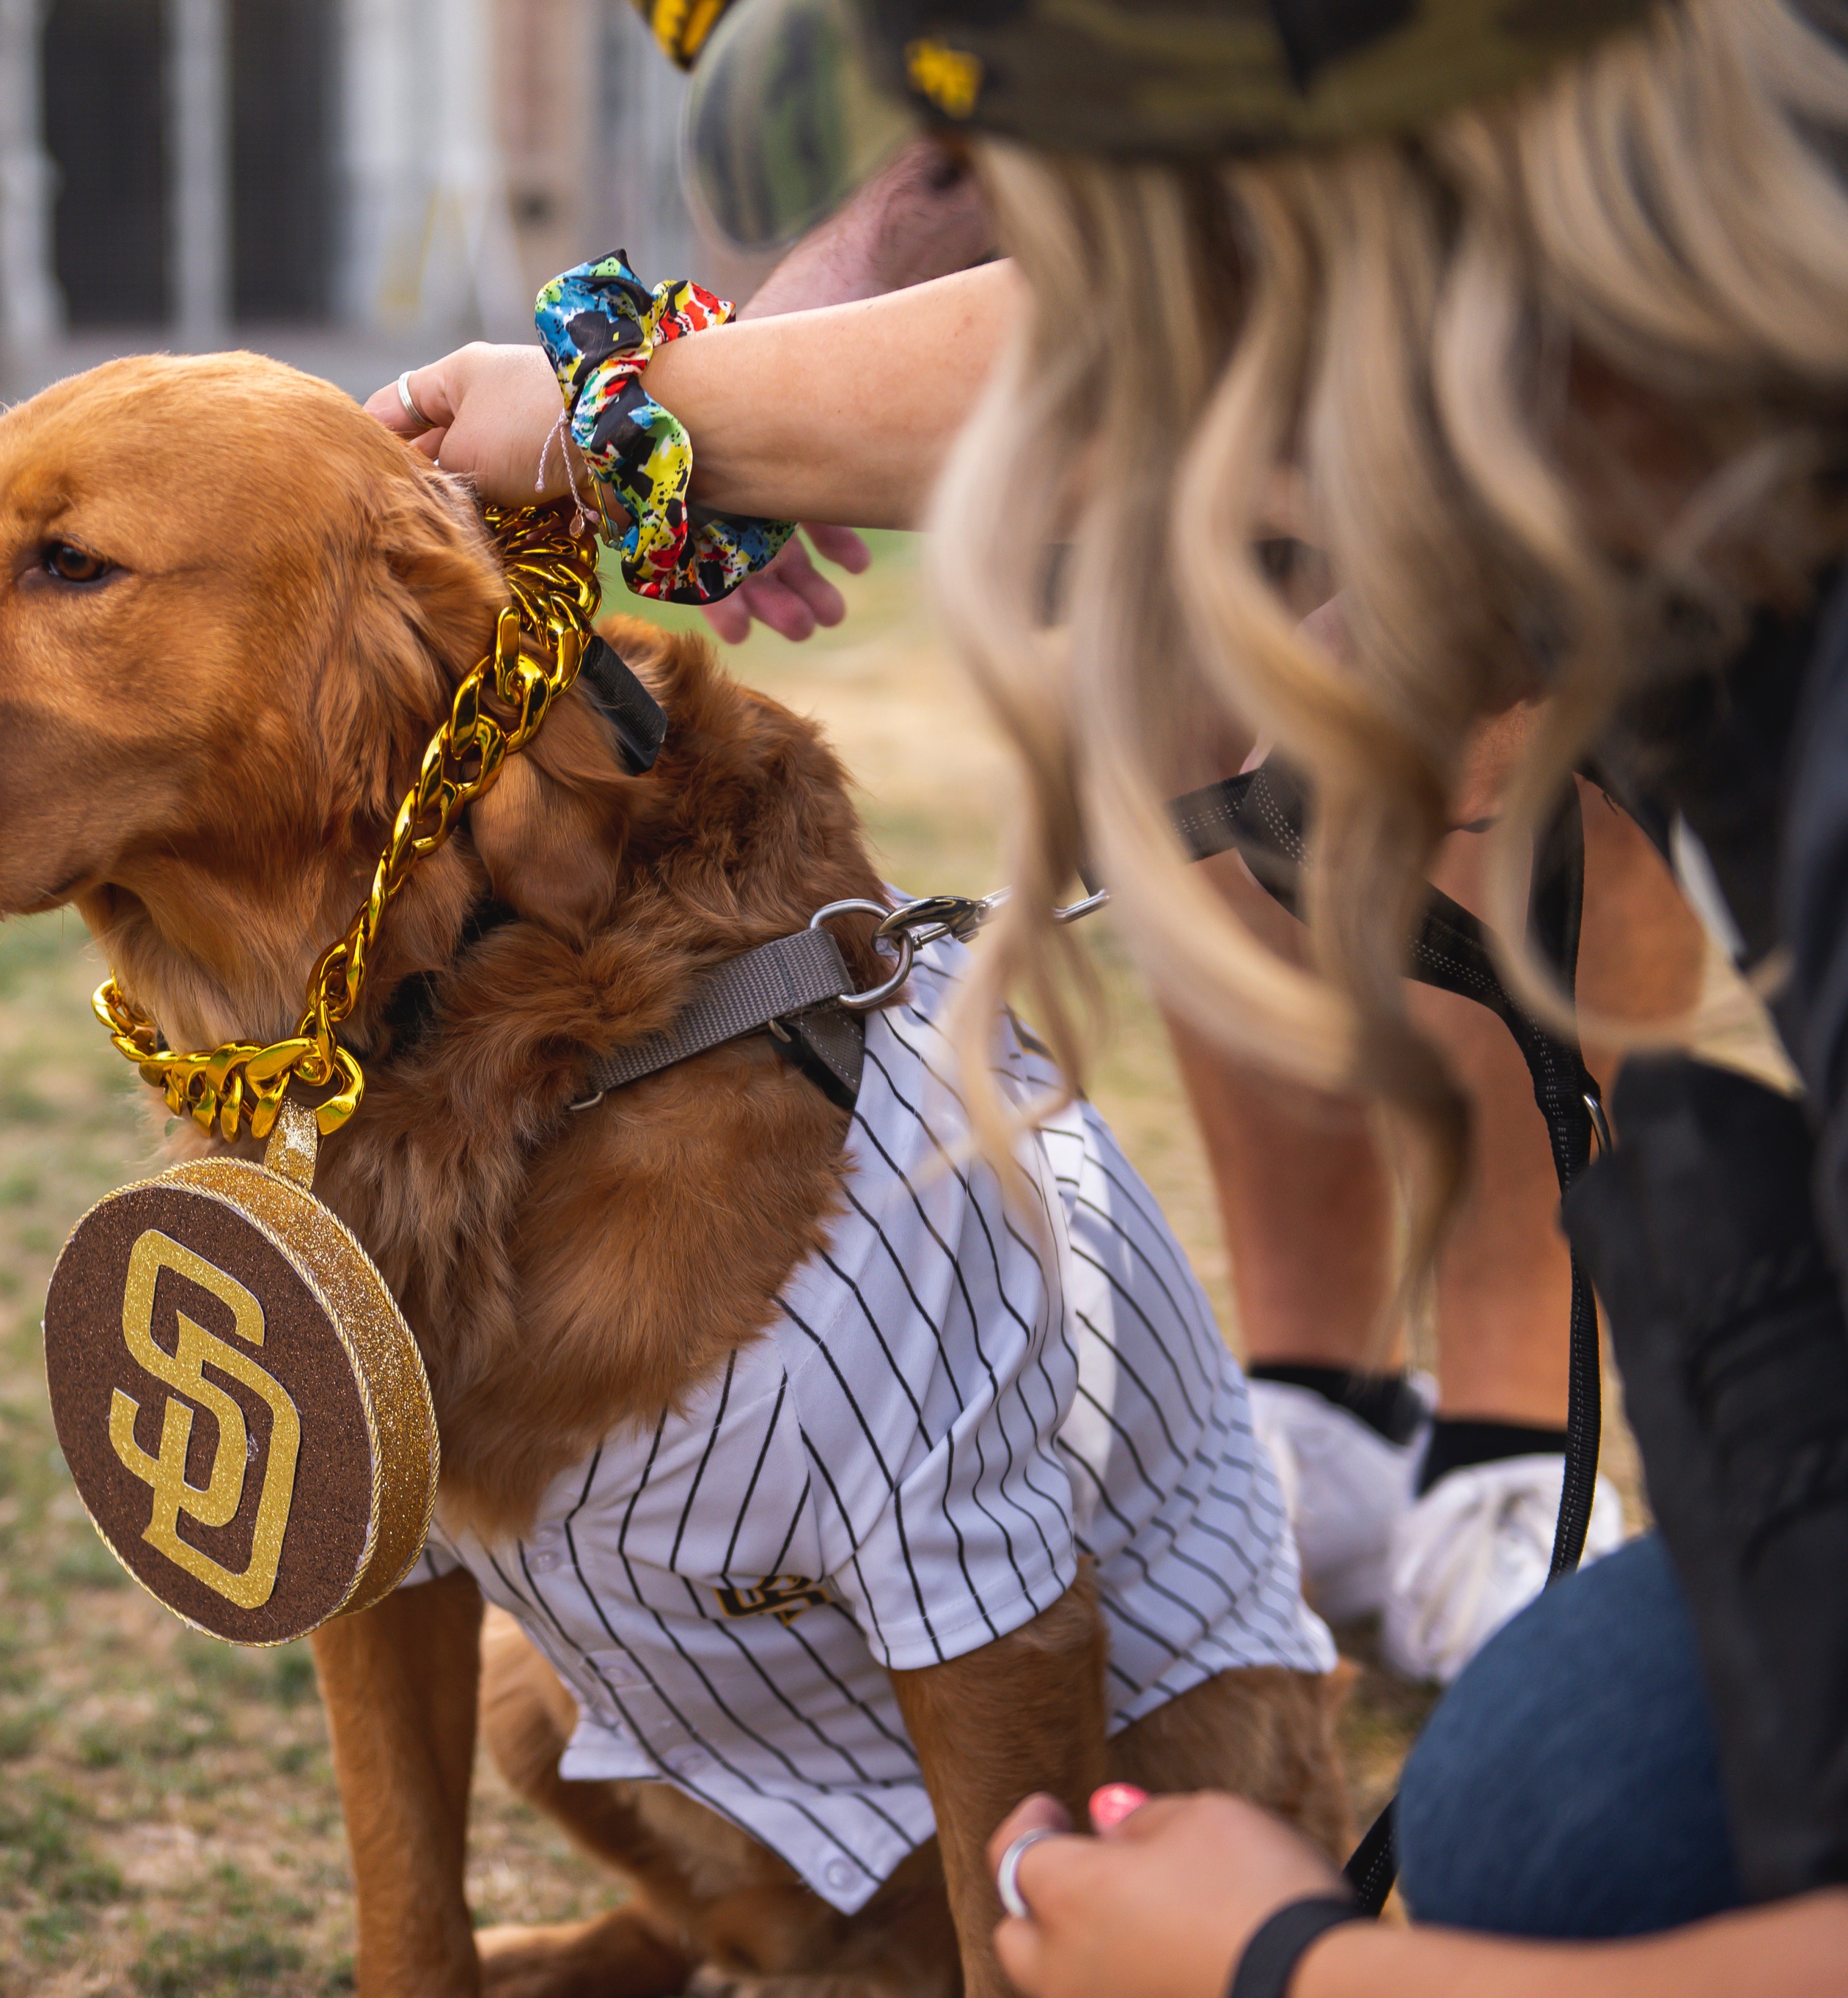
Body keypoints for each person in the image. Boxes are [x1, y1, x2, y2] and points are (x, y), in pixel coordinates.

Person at [372, 0, 1848, 1987]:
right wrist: (612, 408)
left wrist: (1299, 1969)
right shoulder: (1699, 352)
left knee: (1558, 1840)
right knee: (1547, 1789)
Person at [646, 116, 1714, 1687]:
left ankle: (1510, 1434)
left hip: (1515, 200)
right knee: (1153, 600)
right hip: (1141, 188)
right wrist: (828, 296)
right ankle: (1316, 1394)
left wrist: (648, 407)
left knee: (1506, 677)